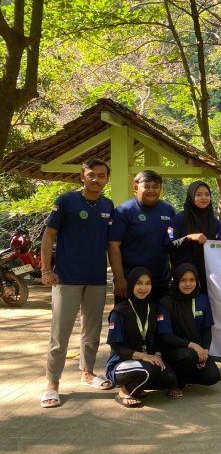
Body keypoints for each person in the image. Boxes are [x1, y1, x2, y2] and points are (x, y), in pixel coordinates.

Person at [40, 159, 115, 408]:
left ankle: (88, 373)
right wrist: (46, 270)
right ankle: (52, 383)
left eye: (101, 176)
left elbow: (111, 244)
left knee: (92, 332)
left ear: (107, 180)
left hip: (96, 278)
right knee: (59, 334)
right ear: (82, 177)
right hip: (66, 278)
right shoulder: (66, 201)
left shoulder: (108, 205)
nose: (96, 180)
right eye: (91, 175)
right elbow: (49, 234)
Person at [105, 267, 177, 408]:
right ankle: (124, 392)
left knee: (170, 379)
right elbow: (116, 346)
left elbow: (158, 337)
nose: (143, 288)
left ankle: (138, 386)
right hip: (121, 363)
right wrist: (142, 356)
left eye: (147, 283)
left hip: (147, 361)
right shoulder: (119, 311)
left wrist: (157, 353)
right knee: (149, 369)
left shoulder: (154, 307)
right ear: (131, 285)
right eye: (139, 283)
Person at [108, 170, 175, 302]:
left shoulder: (168, 210)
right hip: (131, 282)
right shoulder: (123, 211)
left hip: (161, 282)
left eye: (155, 187)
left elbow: (173, 244)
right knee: (130, 322)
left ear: (161, 189)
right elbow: (113, 246)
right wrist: (120, 279)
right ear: (136, 187)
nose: (151, 190)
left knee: (160, 321)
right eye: (147, 186)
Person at [157, 264, 221, 398]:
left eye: (192, 280)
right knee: (188, 355)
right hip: (174, 352)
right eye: (183, 280)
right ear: (176, 281)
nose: (188, 284)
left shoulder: (202, 299)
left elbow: (206, 329)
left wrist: (205, 350)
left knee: (213, 377)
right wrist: (193, 346)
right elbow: (165, 336)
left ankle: (184, 376)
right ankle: (176, 383)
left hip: (196, 352)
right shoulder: (166, 302)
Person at [170, 181, 221, 294]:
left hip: (209, 277)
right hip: (184, 278)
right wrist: (188, 237)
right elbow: (168, 246)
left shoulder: (214, 222)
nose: (203, 198)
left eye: (207, 194)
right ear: (191, 196)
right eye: (198, 194)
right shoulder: (179, 219)